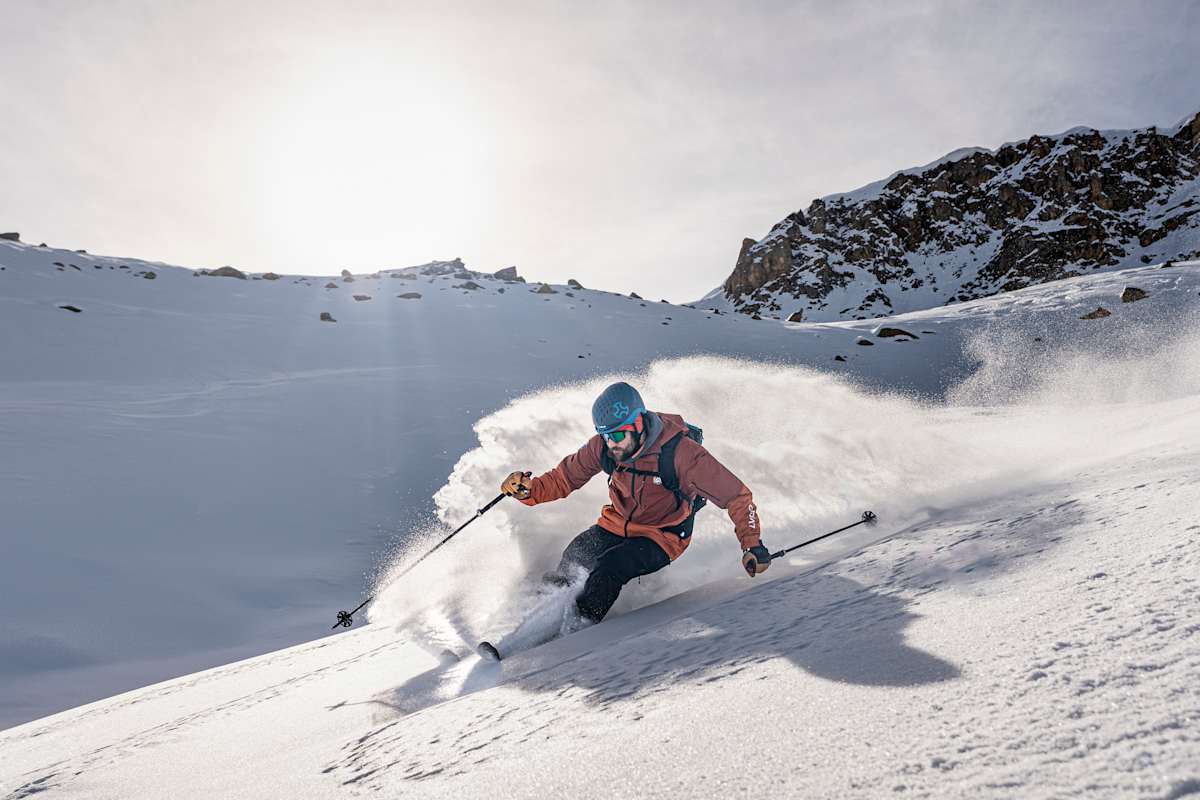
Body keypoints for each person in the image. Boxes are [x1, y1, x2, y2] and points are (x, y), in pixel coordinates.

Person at [500, 381, 772, 631]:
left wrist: (752, 544)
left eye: (619, 435)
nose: (612, 444)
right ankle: (532, 617)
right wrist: (529, 491)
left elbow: (737, 496)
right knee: (576, 554)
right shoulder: (604, 447)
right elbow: (563, 478)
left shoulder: (682, 454)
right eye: (606, 436)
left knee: (611, 566)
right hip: (616, 524)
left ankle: (576, 632)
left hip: (663, 535)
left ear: (639, 423)